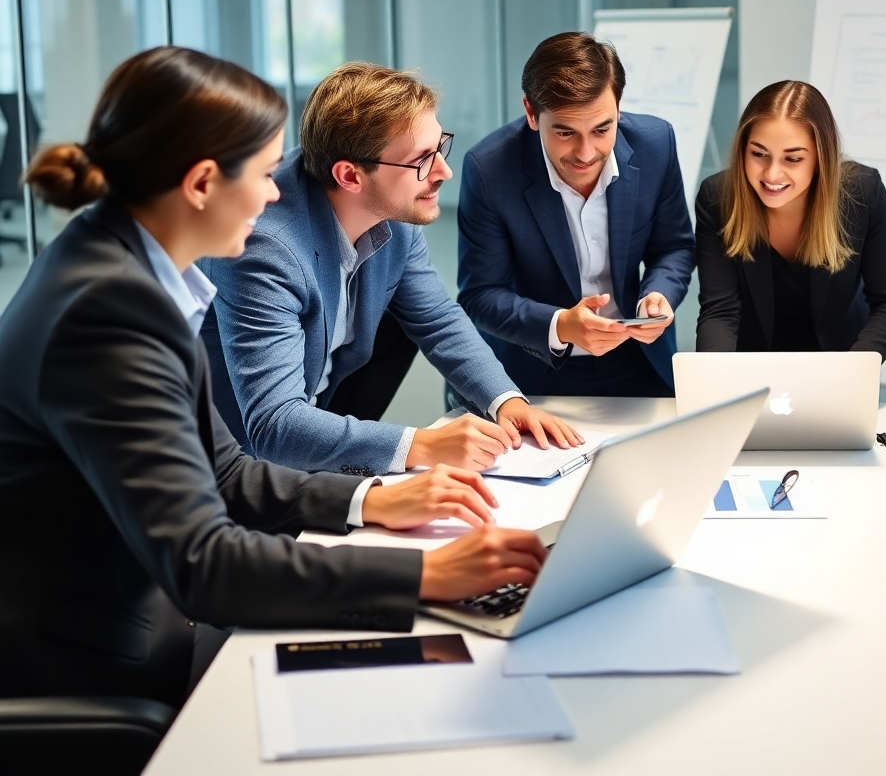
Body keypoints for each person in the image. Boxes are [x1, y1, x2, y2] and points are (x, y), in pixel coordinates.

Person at [0, 47, 548, 708]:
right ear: (202, 183)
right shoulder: (110, 315)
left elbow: (225, 472)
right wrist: (422, 573)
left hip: (142, 605)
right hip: (93, 658)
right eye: (263, 174)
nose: (274, 192)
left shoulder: (127, 265)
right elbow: (206, 562)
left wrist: (369, 499)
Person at [202, 62, 579, 477]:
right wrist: (424, 444)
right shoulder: (265, 247)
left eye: (440, 147)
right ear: (349, 176)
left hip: (319, 412)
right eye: (422, 160)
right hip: (231, 465)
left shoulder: (393, 207)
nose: (443, 171)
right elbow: (274, 425)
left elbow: (436, 318)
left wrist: (507, 401)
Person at [457, 32, 696, 397]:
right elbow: (482, 294)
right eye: (565, 132)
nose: (586, 152)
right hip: (535, 369)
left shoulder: (656, 144)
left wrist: (659, 295)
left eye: (603, 129)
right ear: (531, 113)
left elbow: (674, 248)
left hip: (640, 361)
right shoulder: (489, 169)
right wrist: (560, 325)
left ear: (618, 107)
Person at [695, 80, 886, 357]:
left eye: (793, 159)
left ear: (821, 158)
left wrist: (853, 373)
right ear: (742, 150)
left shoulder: (863, 193)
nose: (772, 174)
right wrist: (713, 382)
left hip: (840, 364)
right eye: (759, 154)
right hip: (751, 368)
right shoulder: (718, 198)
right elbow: (719, 310)